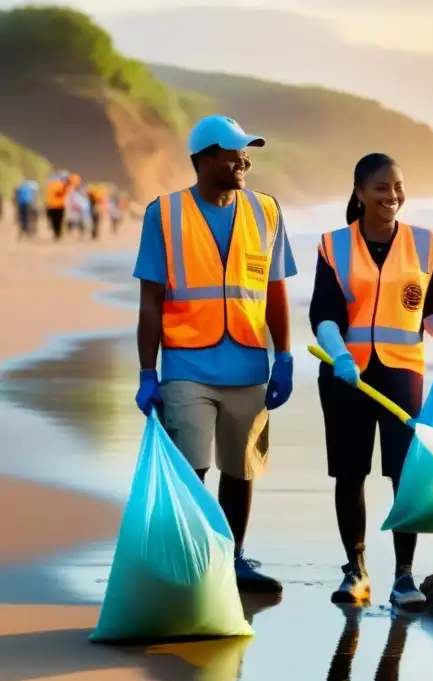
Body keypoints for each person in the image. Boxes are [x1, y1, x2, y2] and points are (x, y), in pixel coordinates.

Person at [133, 115, 297, 594]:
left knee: (240, 467)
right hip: (187, 363)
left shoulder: (266, 210)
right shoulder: (163, 214)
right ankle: (189, 557)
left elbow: (275, 290)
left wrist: (284, 356)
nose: (243, 160)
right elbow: (151, 300)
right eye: (232, 153)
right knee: (192, 465)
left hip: (249, 362)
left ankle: (233, 557)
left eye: (246, 151)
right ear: (203, 159)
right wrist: (147, 372)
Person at [310, 153, 433, 608]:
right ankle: (355, 571)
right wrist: (339, 356)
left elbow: (431, 307)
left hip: (401, 374)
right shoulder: (333, 245)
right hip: (346, 377)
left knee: (405, 475)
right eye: (381, 188)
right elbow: (324, 315)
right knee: (350, 472)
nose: (392, 196)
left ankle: (404, 577)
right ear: (359, 192)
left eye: (397, 187)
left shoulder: (424, 243)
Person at [44, 172, 68, 240]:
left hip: (52, 206)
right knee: (58, 221)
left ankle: (57, 234)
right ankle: (58, 234)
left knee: (55, 221)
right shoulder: (61, 185)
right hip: (59, 206)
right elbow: (61, 193)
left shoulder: (50, 185)